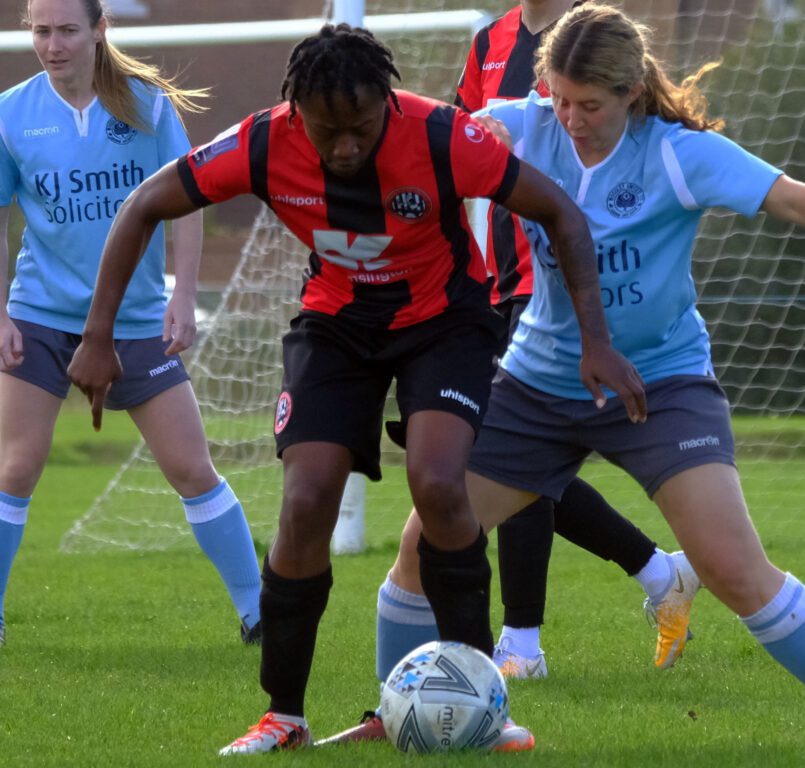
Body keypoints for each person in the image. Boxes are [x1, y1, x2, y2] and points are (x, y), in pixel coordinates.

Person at [335, 3, 805, 745]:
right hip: (535, 386)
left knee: (734, 568)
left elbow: (796, 199)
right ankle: (390, 719)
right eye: (559, 98)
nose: (571, 118)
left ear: (631, 94)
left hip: (663, 388)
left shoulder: (679, 153)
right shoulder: (525, 124)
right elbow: (434, 130)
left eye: (590, 105)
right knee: (424, 550)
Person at [67, 22, 644, 755]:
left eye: (361, 129)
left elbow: (559, 210)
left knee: (439, 484)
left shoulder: (443, 137)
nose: (343, 147)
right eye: (325, 131)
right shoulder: (261, 142)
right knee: (306, 499)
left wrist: (595, 338)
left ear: (388, 106)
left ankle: (482, 709)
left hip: (444, 321)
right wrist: (97, 335)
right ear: (296, 111)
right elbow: (144, 205)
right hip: (336, 325)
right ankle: (283, 714)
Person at [361, 1, 697, 717]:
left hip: (557, 291)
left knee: (514, 464)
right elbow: (453, 149)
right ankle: (652, 573)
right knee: (515, 465)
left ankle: (524, 641)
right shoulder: (489, 41)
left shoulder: (588, 41)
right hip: (498, 284)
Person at [0, 0, 263, 650]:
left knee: (192, 468)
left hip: (138, 320)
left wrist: (179, 295)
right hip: (39, 317)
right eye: (40, 31)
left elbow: (191, 200)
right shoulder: (11, 112)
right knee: (16, 468)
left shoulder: (147, 105)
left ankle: (262, 612)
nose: (52, 45)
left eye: (66, 30)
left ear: (97, 30)